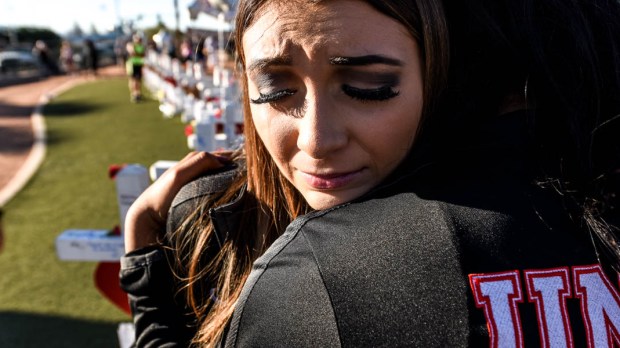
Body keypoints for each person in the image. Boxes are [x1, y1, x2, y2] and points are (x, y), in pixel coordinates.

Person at [121, 0, 620, 346]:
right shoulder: (209, 222)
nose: (317, 139)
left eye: (369, 88)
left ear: (444, 81)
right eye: (275, 90)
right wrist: (147, 258)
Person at [126, 34, 146, 102]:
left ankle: (138, 93)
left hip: (139, 64)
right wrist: (138, 54)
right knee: (134, 80)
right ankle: (134, 94)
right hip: (132, 64)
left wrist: (138, 54)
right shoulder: (132, 45)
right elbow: (133, 53)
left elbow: (142, 55)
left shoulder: (141, 46)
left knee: (138, 79)